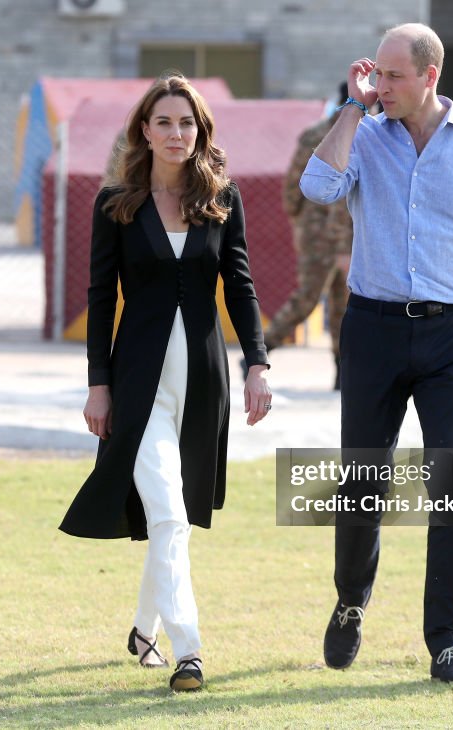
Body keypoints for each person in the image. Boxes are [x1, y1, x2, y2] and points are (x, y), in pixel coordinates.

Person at [301, 23, 453, 685]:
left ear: (431, 75)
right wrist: (352, 105)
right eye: (377, 75)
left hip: (451, 334)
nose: (381, 85)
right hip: (370, 327)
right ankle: (350, 599)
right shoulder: (364, 135)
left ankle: (447, 646)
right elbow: (319, 188)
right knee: (361, 483)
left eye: (393, 76)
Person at [59, 73, 272, 692]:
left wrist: (257, 363)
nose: (177, 134)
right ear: (144, 132)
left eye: (187, 123)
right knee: (169, 511)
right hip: (136, 381)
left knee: (173, 509)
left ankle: (142, 628)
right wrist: (98, 384)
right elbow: (101, 299)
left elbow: (241, 287)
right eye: (164, 123)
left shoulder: (222, 198)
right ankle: (190, 650)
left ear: (200, 130)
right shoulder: (115, 205)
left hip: (203, 377)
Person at [255, 82, 353, 390]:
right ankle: (260, 350)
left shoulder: (369, 135)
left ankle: (343, 370)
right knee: (308, 298)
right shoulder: (316, 135)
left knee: (344, 306)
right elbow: (293, 185)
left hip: (351, 236)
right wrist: (300, 224)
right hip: (318, 235)